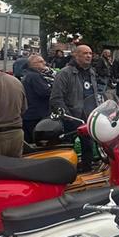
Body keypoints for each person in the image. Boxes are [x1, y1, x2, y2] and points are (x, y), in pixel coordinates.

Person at [50, 44, 101, 172]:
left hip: (87, 117)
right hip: (71, 118)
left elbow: (94, 94)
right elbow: (56, 98)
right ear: (76, 55)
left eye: (90, 53)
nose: (89, 56)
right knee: (68, 149)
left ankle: (87, 171)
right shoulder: (64, 73)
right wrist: (68, 117)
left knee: (88, 146)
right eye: (85, 53)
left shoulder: (91, 72)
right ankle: (66, 174)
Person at [21, 54, 53, 143]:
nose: (44, 63)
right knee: (36, 141)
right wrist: (53, 88)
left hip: (29, 114)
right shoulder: (34, 76)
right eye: (41, 62)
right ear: (33, 64)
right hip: (36, 114)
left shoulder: (28, 75)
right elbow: (45, 92)